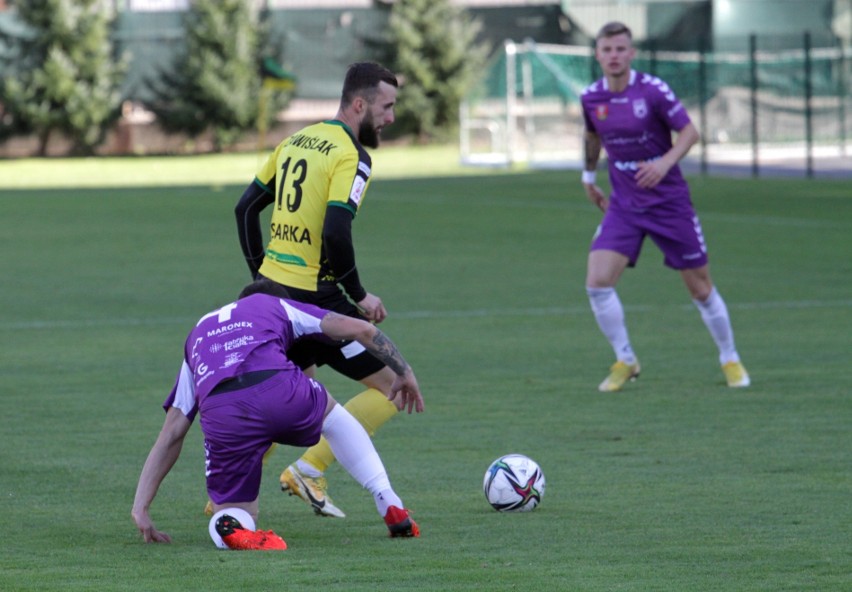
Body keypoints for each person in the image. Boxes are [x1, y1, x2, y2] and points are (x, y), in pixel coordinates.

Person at [131, 279, 424, 550]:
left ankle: (230, 527)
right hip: (279, 389)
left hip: (223, 411)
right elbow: (362, 329)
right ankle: (388, 499)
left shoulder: (198, 333)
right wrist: (404, 371)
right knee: (333, 417)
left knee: (234, 510)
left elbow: (172, 433)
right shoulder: (277, 304)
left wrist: (141, 506)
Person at [234, 62, 405, 517]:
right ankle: (309, 468)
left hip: (268, 296)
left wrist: (262, 275)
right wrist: (361, 295)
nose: (390, 118)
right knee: (392, 388)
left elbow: (245, 208)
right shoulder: (352, 156)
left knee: (279, 396)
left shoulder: (295, 141)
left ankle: (223, 500)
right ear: (359, 103)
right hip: (315, 298)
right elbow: (335, 231)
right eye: (386, 107)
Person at [579, 21, 750, 392]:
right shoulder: (591, 97)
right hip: (624, 204)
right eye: (607, 50)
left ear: (631, 53)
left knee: (701, 289)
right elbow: (592, 135)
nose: (614, 56)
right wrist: (589, 177)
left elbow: (690, 132)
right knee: (597, 282)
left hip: (669, 203)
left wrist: (663, 163)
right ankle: (625, 359)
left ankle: (730, 357)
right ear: (598, 54)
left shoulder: (653, 91)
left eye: (621, 49)